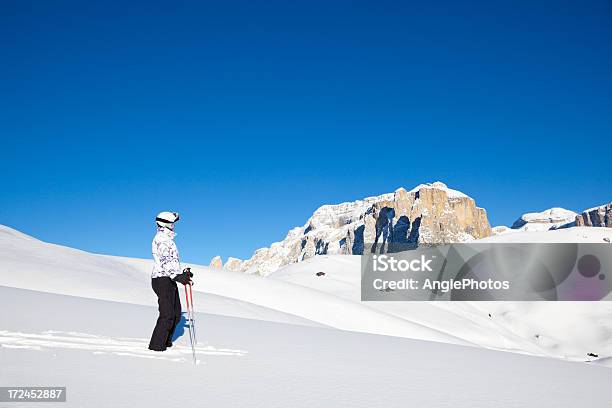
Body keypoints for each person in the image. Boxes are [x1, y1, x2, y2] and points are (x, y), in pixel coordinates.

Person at [148, 211, 193, 352]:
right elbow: (165, 261)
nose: (174, 226)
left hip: (169, 278)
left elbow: (172, 262)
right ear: (165, 224)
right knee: (167, 314)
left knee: (176, 314)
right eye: (172, 223)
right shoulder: (161, 240)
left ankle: (166, 342)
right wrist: (177, 276)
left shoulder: (168, 240)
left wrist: (182, 273)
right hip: (162, 279)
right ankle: (156, 347)